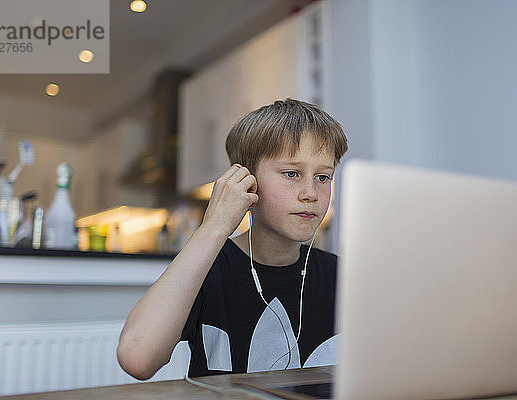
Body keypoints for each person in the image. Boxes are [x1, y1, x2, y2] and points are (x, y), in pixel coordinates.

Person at [117, 98, 348, 379]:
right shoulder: (207, 269)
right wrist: (213, 228)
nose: (310, 192)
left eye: (323, 177)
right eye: (292, 173)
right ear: (246, 181)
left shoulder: (343, 276)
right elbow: (137, 359)